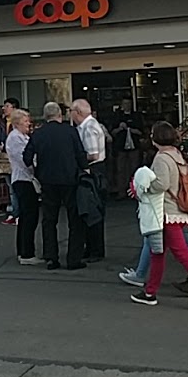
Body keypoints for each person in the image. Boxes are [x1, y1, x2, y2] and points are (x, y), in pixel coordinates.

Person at [129, 121, 188, 311]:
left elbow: (161, 184)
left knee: (179, 253)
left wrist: (142, 188)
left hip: (166, 212)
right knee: (158, 252)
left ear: (157, 138)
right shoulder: (176, 155)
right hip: (177, 210)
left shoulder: (161, 158)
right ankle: (150, 292)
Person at [23, 101, 88, 270]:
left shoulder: (39, 134)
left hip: (48, 180)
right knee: (75, 219)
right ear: (60, 114)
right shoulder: (70, 131)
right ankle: (74, 258)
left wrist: (37, 168)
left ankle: (51, 257)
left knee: (49, 219)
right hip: (69, 179)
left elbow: (27, 158)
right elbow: (80, 154)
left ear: (45, 116)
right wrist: (85, 169)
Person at [71, 99, 108, 261]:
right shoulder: (86, 126)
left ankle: (96, 250)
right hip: (94, 170)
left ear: (77, 112)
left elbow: (93, 154)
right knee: (90, 209)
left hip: (93, 170)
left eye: (71, 111)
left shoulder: (89, 127)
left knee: (93, 210)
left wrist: (76, 158)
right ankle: (91, 247)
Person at [6, 109, 41, 264]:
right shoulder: (15, 138)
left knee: (28, 216)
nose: (29, 123)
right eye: (26, 121)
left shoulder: (23, 137)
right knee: (29, 215)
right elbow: (25, 159)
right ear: (17, 122)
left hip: (26, 179)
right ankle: (27, 253)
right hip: (23, 179)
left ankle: (24, 251)